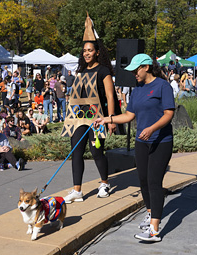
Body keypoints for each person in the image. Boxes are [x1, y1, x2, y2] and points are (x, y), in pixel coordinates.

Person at [94, 53, 175, 242]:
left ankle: (155, 229)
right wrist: (107, 119)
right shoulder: (137, 89)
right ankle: (150, 213)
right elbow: (129, 115)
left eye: (135, 70)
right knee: (144, 180)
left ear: (146, 67)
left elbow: (168, 113)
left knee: (154, 181)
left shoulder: (162, 86)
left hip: (160, 142)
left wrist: (152, 127)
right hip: (142, 142)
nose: (133, 74)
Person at [63, 13, 118, 204]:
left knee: (96, 151)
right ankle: (77, 190)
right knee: (76, 151)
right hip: (78, 118)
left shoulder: (103, 71)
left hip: (97, 118)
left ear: (97, 52)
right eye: (84, 50)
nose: (86, 53)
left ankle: (104, 183)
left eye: (90, 50)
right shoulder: (80, 72)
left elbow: (111, 96)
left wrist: (110, 119)